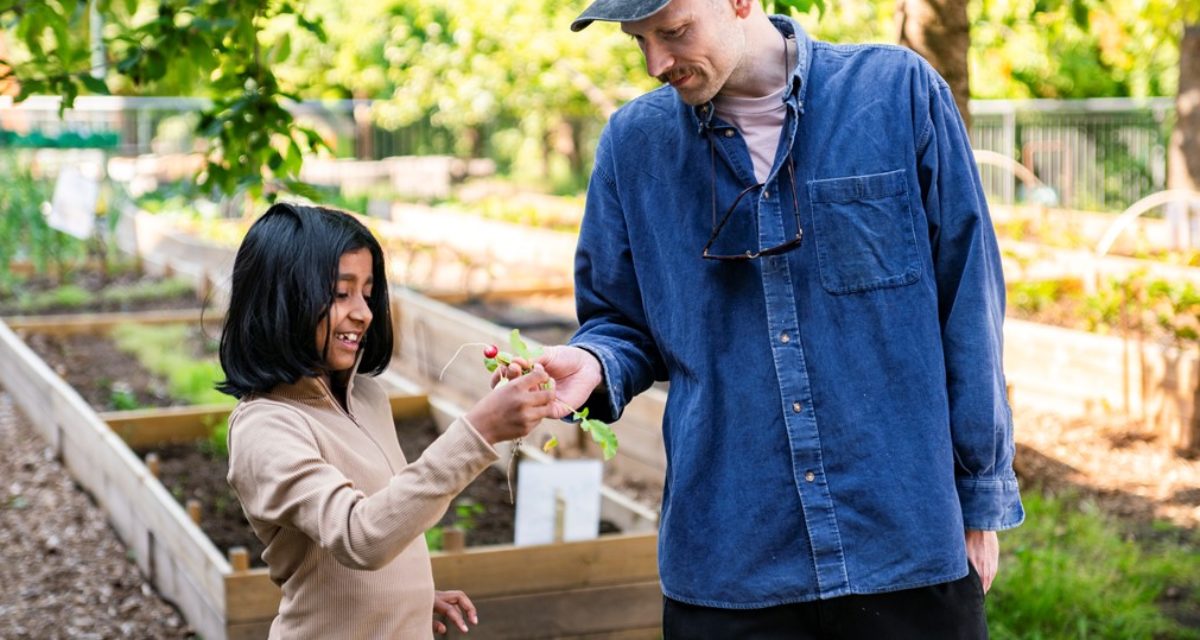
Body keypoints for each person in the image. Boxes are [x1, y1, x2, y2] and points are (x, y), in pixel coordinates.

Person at [531, 0, 1025, 636]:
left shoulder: (895, 93)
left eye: (674, 32)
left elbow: (970, 308)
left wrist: (980, 500)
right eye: (638, 41)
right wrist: (594, 363)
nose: (657, 62)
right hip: (728, 566)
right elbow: (619, 324)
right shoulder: (633, 147)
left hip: (904, 546)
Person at [218, 203, 559, 638]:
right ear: (280, 301)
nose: (363, 312)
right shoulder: (265, 428)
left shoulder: (366, 397)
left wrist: (407, 599)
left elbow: (388, 515)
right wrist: (480, 432)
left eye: (367, 292)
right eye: (341, 293)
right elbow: (361, 536)